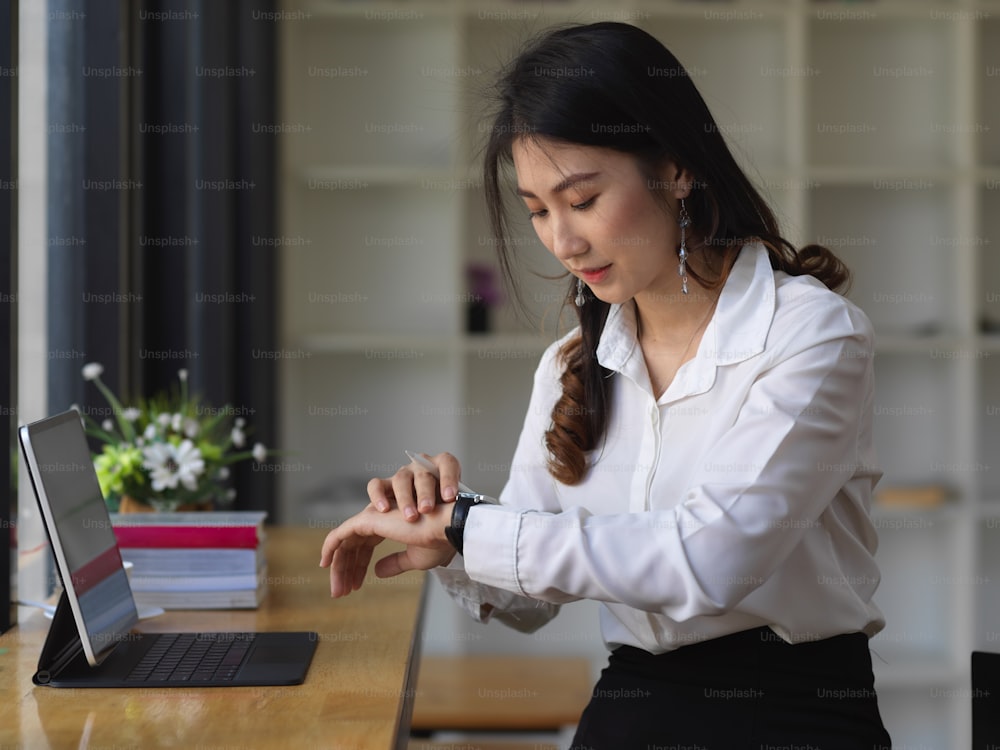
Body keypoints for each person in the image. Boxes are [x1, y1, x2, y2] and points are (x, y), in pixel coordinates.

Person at [320, 22, 891, 749]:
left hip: (792, 711)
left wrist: (470, 528)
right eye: (537, 211)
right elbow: (528, 601)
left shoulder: (811, 335)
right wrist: (445, 531)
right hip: (635, 698)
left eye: (583, 199)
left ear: (678, 169)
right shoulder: (570, 362)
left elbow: (711, 559)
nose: (563, 241)